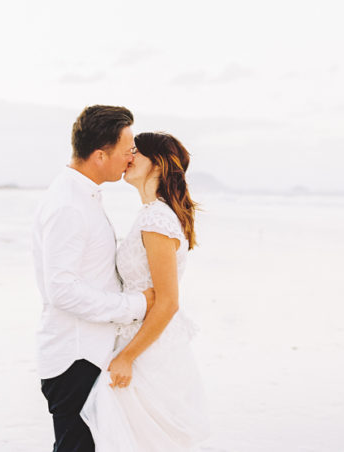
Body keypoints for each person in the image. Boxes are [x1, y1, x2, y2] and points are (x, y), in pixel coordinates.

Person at [32, 105, 155, 452]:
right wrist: (136, 304)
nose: (131, 157)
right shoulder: (69, 204)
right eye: (127, 149)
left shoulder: (79, 195)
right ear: (100, 154)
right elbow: (62, 290)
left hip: (86, 352)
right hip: (75, 356)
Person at [81, 132, 210, 451]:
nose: (127, 157)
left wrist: (126, 357)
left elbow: (167, 302)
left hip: (148, 353)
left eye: (135, 152)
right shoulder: (152, 215)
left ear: (158, 163)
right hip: (142, 343)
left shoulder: (156, 219)